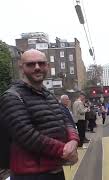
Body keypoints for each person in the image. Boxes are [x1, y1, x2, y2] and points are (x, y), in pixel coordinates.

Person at [0, 49, 79, 180]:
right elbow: (27, 135)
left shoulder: (48, 95)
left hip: (55, 170)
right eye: (31, 64)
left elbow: (66, 120)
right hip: (30, 175)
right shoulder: (12, 97)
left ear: (47, 66)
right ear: (21, 68)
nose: (37, 67)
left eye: (41, 63)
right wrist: (64, 151)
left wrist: (73, 141)